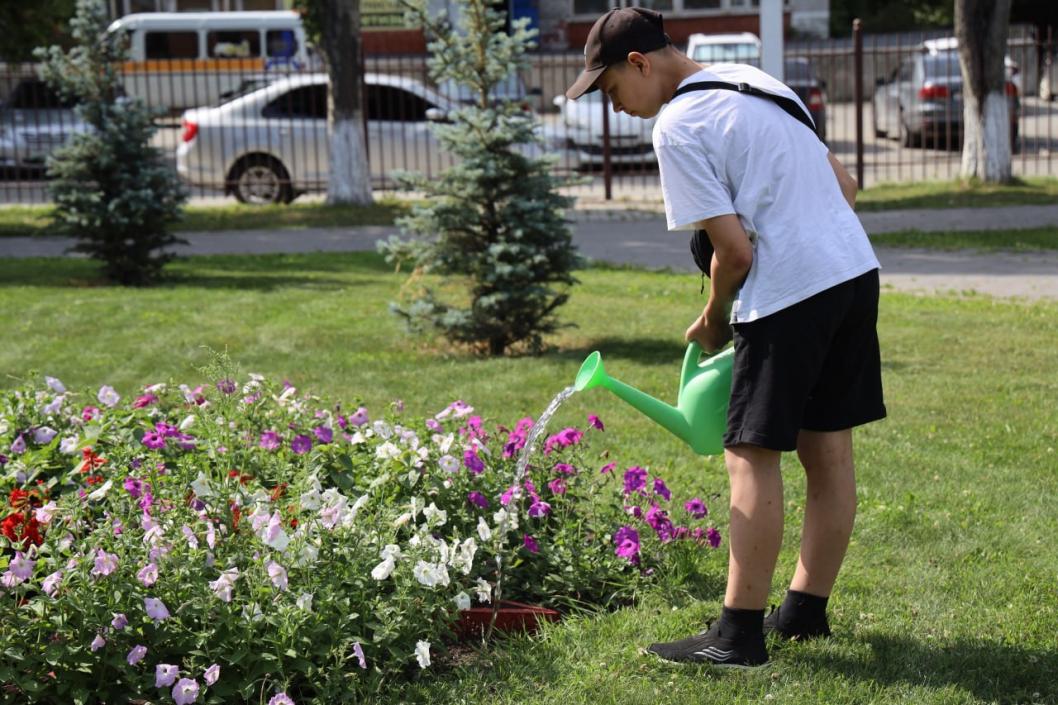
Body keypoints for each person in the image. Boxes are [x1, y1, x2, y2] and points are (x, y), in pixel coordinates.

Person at [565, 8, 886, 669]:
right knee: (828, 452)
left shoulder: (677, 126)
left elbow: (734, 252)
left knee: (749, 454)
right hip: (853, 273)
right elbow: (845, 187)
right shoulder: (756, 81)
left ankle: (737, 636)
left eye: (611, 89)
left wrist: (713, 317)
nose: (614, 107)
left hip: (790, 292)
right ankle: (803, 612)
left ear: (639, 64)